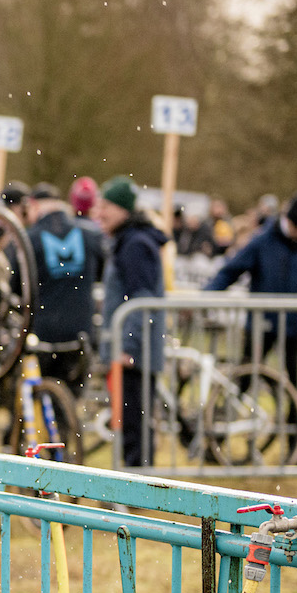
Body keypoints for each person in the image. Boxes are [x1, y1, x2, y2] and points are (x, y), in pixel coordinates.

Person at [205, 190, 297, 397]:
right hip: (262, 323)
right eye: (296, 227)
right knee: (245, 374)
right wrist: (206, 296)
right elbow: (231, 271)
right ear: (287, 220)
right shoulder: (263, 240)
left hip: (296, 325)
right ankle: (226, 416)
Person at [96, 175, 169, 468]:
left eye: (107, 207)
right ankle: (131, 481)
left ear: (125, 210)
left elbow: (141, 300)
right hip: (131, 350)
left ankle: (135, 486)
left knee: (134, 424)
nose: (100, 213)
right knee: (130, 422)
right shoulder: (127, 240)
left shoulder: (135, 244)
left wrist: (128, 345)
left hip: (134, 354)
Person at [23, 182, 106, 396]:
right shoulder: (89, 236)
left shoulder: (30, 239)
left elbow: (17, 285)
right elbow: (101, 274)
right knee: (69, 401)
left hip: (42, 334)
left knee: (39, 398)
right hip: (80, 332)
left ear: (33, 205)